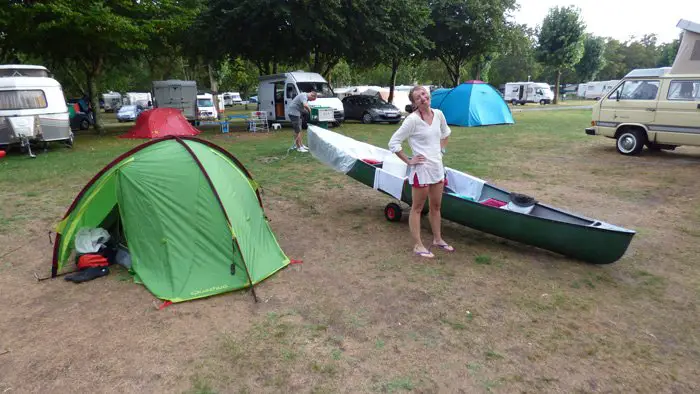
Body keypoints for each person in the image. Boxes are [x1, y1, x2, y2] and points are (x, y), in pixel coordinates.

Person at [388, 85, 453, 259]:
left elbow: (446, 133)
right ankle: (418, 245)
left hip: (437, 168)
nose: (423, 98)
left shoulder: (438, 114)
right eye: (418, 97)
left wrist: (440, 151)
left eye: (424, 94)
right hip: (421, 170)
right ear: (415, 103)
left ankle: (438, 239)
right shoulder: (412, 120)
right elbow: (393, 143)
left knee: (436, 207)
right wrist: (409, 161)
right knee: (417, 208)